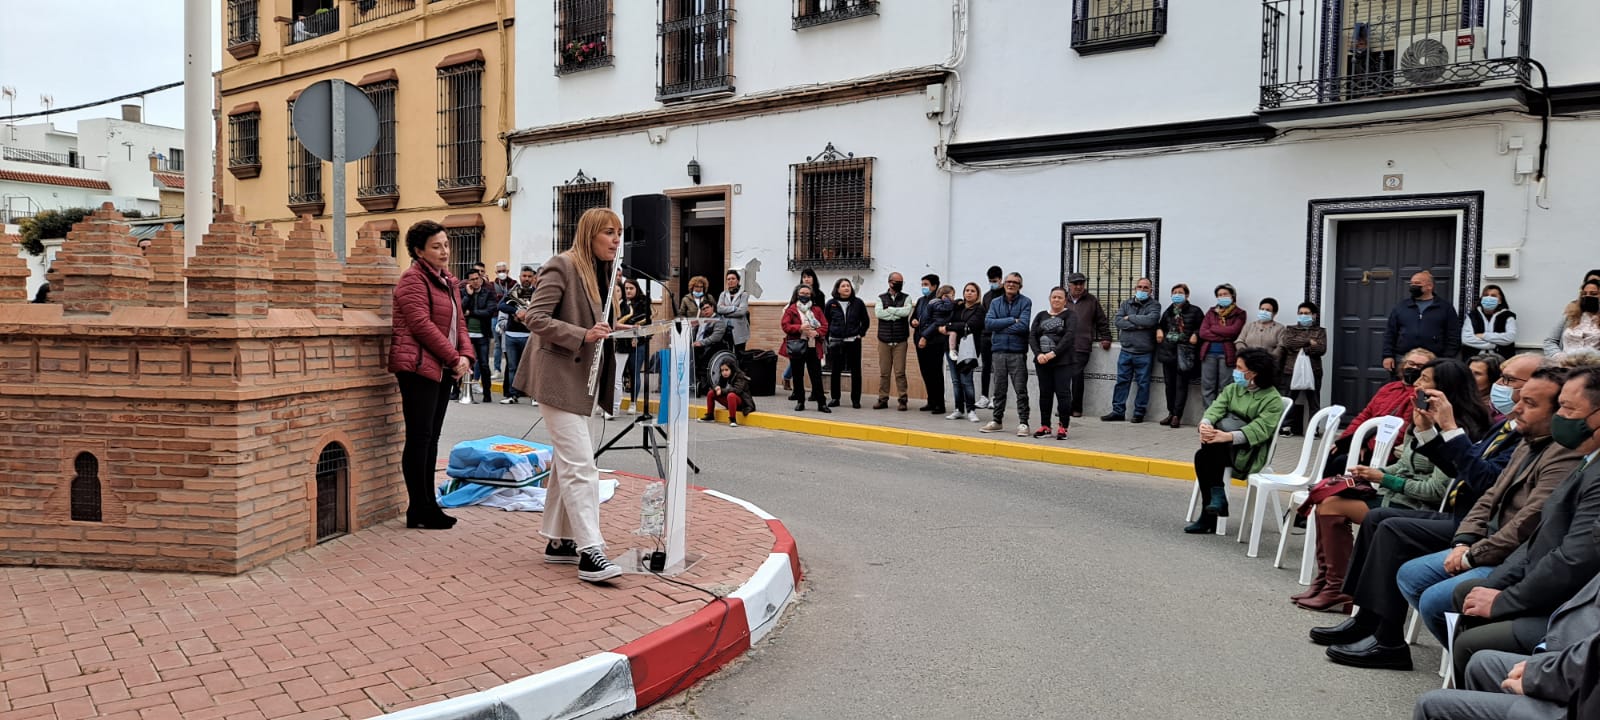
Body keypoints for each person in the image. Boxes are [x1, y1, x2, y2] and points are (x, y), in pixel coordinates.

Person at [1307, 360, 1575, 672]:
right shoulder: (1516, 428)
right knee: (1377, 519)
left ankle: (1388, 639)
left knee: (1393, 529)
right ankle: (1365, 618)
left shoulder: (1522, 433)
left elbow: (1480, 480)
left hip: (1480, 529)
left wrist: (1448, 430)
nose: (1506, 391)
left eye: (1509, 380)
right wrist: (1427, 431)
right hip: (1469, 521)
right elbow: (1477, 484)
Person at [1294, 359, 1492, 612]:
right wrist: (1373, 473)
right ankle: (1327, 581)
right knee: (1326, 497)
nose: (1417, 384)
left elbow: (1436, 491)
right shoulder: (1422, 418)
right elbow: (1404, 463)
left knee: (1332, 506)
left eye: (1425, 380)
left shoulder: (1459, 430)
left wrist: (1384, 479)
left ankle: (1337, 587)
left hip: (1419, 505)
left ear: (1444, 389)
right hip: (1397, 494)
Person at [1442, 366, 1600, 674]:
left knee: (1471, 643)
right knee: (1467, 593)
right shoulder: (1586, 457)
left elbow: (1574, 560)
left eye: (1568, 408)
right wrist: (1495, 584)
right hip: (1540, 577)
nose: (1561, 417)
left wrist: (1504, 600)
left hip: (1571, 606)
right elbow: (1538, 537)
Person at [509, 206, 627, 583]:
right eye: (609, 232)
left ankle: (559, 541)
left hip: (583, 382)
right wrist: (583, 334)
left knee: (569, 461)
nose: (616, 239)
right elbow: (535, 318)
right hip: (556, 378)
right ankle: (590, 551)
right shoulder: (562, 265)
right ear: (590, 233)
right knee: (580, 465)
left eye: (619, 233)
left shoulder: (602, 273)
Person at [1413, 570, 1600, 720]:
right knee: (1482, 663)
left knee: (1432, 706)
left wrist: (1539, 675)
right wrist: (1466, 546)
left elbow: (1569, 562)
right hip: (1574, 652)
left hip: (1584, 700)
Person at [387, 220, 474, 530]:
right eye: (436, 246)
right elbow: (422, 325)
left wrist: (466, 356)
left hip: (441, 368)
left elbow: (459, 324)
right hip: (418, 368)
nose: (444, 251)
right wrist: (453, 358)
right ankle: (418, 507)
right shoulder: (412, 280)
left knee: (432, 438)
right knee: (419, 438)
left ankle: (428, 505)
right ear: (418, 251)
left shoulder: (447, 281)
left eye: (446, 245)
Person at [1184, 348, 1285, 534]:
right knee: (1204, 453)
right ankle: (1216, 500)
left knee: (1205, 453)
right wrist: (1205, 425)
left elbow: (1261, 429)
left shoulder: (1272, 399)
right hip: (1221, 448)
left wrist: (1228, 436)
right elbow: (1215, 409)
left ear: (1253, 373)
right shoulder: (1233, 389)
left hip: (1248, 452)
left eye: (1239, 368)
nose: (1235, 371)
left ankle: (1210, 514)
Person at [1102, 277, 1161, 423]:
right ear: (1135, 288)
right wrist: (1139, 324)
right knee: (1122, 381)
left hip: (1144, 352)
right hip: (1126, 351)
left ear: (1150, 290)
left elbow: (1151, 321)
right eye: (1139, 287)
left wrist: (1131, 318)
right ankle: (1118, 411)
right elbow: (1118, 321)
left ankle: (1139, 413)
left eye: (1145, 288)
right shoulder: (1126, 303)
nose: (1142, 290)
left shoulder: (1155, 305)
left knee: (1143, 383)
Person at [981, 272, 1032, 437]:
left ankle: (1024, 423)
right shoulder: (995, 302)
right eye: (1008, 281)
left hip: (1017, 353)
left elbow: (1023, 326)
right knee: (999, 389)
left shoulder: (1025, 302)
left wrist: (1000, 326)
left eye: (1015, 283)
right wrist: (1011, 320)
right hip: (998, 351)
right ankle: (997, 420)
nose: (1011, 284)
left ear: (1020, 286)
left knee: (1021, 390)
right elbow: (988, 324)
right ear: (1004, 284)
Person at [1383, 271, 1462, 374]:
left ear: (1429, 286)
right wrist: (1387, 355)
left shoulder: (1445, 308)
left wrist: (1446, 359)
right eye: (1411, 284)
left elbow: (1453, 335)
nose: (1413, 286)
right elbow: (1390, 333)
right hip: (1403, 358)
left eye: (1417, 284)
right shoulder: (1401, 307)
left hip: (1434, 360)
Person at [1030, 286, 1077, 440]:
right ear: (1050, 298)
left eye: (1060, 297)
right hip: (1042, 362)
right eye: (1054, 297)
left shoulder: (1070, 315)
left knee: (1063, 394)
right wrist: (1038, 354)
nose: (1056, 300)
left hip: (1063, 362)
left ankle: (1063, 427)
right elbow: (1032, 336)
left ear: (1065, 300)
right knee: (1045, 394)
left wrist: (1052, 354)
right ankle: (1045, 426)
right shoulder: (1040, 315)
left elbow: (1069, 337)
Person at [1062, 272, 1112, 418]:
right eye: (1075, 284)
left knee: (1077, 376)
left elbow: (1101, 320)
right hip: (1062, 345)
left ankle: (1076, 408)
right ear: (1069, 285)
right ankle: (1064, 407)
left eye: (1081, 283)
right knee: (1063, 377)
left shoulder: (1091, 301)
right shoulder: (1063, 299)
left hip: (1081, 344)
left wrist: (1106, 337)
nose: (1078, 286)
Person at [1156, 283, 1204, 429]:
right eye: (1174, 292)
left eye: (1180, 292)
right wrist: (1159, 331)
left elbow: (1202, 327)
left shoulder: (1195, 311)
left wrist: (1196, 334)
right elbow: (1161, 324)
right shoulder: (1169, 311)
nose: (1177, 294)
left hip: (1184, 353)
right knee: (1169, 385)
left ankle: (1177, 415)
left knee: (1181, 385)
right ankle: (1171, 412)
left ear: (1187, 295)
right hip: (1168, 351)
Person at [1278, 301, 1328, 436]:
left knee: (1314, 401)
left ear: (1314, 315)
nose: (1303, 316)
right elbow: (1288, 343)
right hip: (1291, 369)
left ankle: (1314, 429)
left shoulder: (1320, 331)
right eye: (1300, 313)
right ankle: (1286, 427)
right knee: (1289, 399)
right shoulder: (1290, 329)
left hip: (1314, 370)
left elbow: (1321, 349)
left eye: (1306, 313)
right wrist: (1309, 342)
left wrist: (1302, 346)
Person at [780, 283, 830, 413]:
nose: (805, 296)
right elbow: (785, 326)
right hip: (797, 346)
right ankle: (800, 401)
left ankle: (821, 403)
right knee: (797, 375)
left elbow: (824, 325)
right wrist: (799, 328)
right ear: (797, 294)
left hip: (813, 346)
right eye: (802, 293)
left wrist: (817, 332)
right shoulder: (791, 309)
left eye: (807, 294)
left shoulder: (816, 310)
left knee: (816, 376)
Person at [1197, 283, 1246, 409]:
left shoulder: (1239, 313)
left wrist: (1213, 328)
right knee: (1207, 387)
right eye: (1219, 295)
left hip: (1227, 355)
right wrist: (1223, 332)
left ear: (1232, 296)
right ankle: (1208, 417)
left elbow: (1234, 332)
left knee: (1224, 388)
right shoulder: (1211, 312)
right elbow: (1203, 333)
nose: (1222, 296)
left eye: (1225, 294)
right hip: (1208, 354)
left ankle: (1221, 415)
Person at [825, 278, 869, 409]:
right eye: (843, 286)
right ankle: (835, 398)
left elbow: (865, 321)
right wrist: (827, 338)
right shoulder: (831, 304)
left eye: (848, 286)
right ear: (837, 289)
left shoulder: (858, 303)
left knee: (856, 371)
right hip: (836, 341)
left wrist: (860, 333)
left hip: (853, 341)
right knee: (835, 370)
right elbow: (826, 322)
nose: (846, 288)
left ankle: (856, 399)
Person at [944, 282, 985, 422]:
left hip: (969, 350)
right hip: (953, 348)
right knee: (956, 381)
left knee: (966, 380)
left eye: (972, 291)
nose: (969, 293)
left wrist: (950, 326)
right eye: (967, 290)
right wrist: (951, 324)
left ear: (977, 294)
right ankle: (958, 409)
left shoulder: (979, 309)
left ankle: (971, 410)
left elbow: (970, 325)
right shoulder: (958, 307)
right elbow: (948, 320)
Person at [497, 267, 537, 404]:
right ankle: (512, 395)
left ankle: (534, 396)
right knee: (512, 367)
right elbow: (501, 305)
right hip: (511, 335)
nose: (526, 278)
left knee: (531, 367)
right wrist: (517, 311)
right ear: (520, 277)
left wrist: (528, 313)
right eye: (524, 276)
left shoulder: (537, 293)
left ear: (533, 278)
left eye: (529, 276)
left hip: (529, 335)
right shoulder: (513, 291)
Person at [611, 278, 651, 415]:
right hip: (622, 343)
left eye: (631, 288)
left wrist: (636, 336)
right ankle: (616, 402)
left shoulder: (643, 302)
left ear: (636, 289)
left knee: (635, 373)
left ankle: (633, 402)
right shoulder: (621, 304)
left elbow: (646, 323)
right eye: (626, 288)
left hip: (637, 343)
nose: (628, 291)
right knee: (618, 374)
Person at [874, 272, 913, 411]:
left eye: (901, 282)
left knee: (900, 372)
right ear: (890, 282)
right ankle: (882, 399)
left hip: (900, 340)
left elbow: (906, 312)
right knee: (884, 372)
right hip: (884, 340)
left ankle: (903, 400)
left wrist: (889, 310)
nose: (899, 284)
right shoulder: (881, 298)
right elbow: (879, 314)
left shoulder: (906, 297)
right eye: (897, 282)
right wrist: (897, 313)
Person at [460, 269, 499, 404]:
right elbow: (460, 309)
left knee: (483, 364)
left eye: (477, 278)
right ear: (468, 281)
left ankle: (487, 394)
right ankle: (456, 392)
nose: (475, 281)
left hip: (482, 334)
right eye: (472, 279)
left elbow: (489, 311)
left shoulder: (487, 293)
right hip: (466, 333)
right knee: (462, 363)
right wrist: (469, 296)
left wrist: (471, 313)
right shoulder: (464, 292)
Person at [911, 274, 947, 415]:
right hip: (920, 341)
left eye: (926, 284)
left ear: (934, 286)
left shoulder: (938, 302)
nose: (923, 287)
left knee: (936, 373)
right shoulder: (921, 301)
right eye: (922, 284)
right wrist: (913, 321)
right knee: (926, 372)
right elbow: (914, 316)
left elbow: (936, 322)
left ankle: (939, 403)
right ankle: (931, 400)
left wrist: (925, 336)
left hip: (934, 342)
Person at [783, 268, 822, 396]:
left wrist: (816, 331)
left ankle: (816, 393)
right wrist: (799, 327)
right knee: (797, 365)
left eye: (809, 276)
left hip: (813, 337)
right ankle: (797, 393)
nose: (807, 279)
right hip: (798, 338)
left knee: (815, 368)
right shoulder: (795, 299)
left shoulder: (819, 295)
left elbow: (822, 317)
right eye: (804, 277)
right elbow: (787, 320)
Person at [1543, 279, 1600, 359]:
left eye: (1593, 294)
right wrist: (1558, 356)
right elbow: (1550, 341)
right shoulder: (1571, 315)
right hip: (1563, 365)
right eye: (1584, 294)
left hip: (1593, 367)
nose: (1587, 296)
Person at [1461, 284, 1518, 360]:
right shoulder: (1472, 316)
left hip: (1502, 360)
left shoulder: (1508, 316)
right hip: (1474, 360)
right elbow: (1466, 339)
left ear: (1500, 300)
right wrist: (1494, 345)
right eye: (1486, 295)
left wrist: (1483, 336)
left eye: (1493, 296)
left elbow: (1509, 338)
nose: (1489, 298)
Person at [977, 265, 1004, 410]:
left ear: (1000, 279)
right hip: (986, 336)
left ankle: (996, 396)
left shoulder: (1006, 294)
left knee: (998, 368)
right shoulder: (987, 296)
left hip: (999, 335)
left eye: (994, 280)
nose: (992, 283)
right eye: (990, 281)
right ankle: (984, 396)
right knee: (986, 367)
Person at [701, 361, 755, 427]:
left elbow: (737, 390)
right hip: (730, 402)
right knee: (711, 393)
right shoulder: (723, 376)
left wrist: (721, 390)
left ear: (732, 369)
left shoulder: (740, 376)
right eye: (722, 370)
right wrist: (716, 387)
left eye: (726, 370)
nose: (724, 372)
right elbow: (716, 385)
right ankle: (710, 416)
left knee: (731, 395)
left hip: (742, 403)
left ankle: (733, 420)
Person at [1238, 297, 1285, 369]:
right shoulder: (1249, 326)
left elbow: (1281, 347)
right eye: (1262, 309)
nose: (1264, 312)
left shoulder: (1280, 328)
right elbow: (1239, 341)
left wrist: (1269, 359)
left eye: (1268, 310)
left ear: (1274, 313)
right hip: (1248, 364)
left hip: (1269, 366)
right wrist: (1246, 355)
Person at [690, 299, 727, 392]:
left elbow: (716, 337)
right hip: (697, 346)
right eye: (703, 309)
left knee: (696, 354)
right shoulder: (701, 321)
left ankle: (701, 383)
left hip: (711, 346)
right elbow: (693, 333)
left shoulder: (719, 320)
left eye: (707, 308)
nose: (705, 310)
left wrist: (700, 343)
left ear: (712, 308)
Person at [717, 269, 751, 355]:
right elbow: (719, 309)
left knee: (739, 355)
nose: (730, 281)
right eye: (728, 279)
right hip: (726, 330)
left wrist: (726, 312)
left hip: (739, 330)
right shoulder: (723, 294)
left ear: (738, 280)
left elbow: (742, 312)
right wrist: (734, 308)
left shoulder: (743, 294)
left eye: (733, 278)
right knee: (727, 353)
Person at [1468, 353, 1504, 419]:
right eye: (1468, 372)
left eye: (1477, 374)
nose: (1469, 377)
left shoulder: (1499, 408)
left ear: (1493, 377)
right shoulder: (1461, 398)